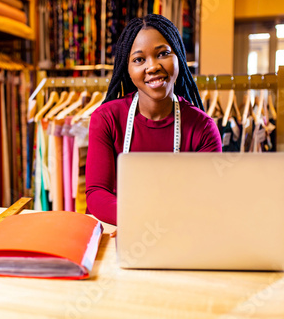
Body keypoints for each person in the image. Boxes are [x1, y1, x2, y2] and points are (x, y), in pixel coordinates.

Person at [85, 14, 222, 226]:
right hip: (121, 230)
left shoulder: (203, 128)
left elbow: (203, 199)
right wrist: (137, 223)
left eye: (163, 54)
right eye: (139, 59)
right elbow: (97, 193)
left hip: (178, 232)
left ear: (179, 58)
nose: (152, 66)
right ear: (127, 68)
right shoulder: (106, 119)